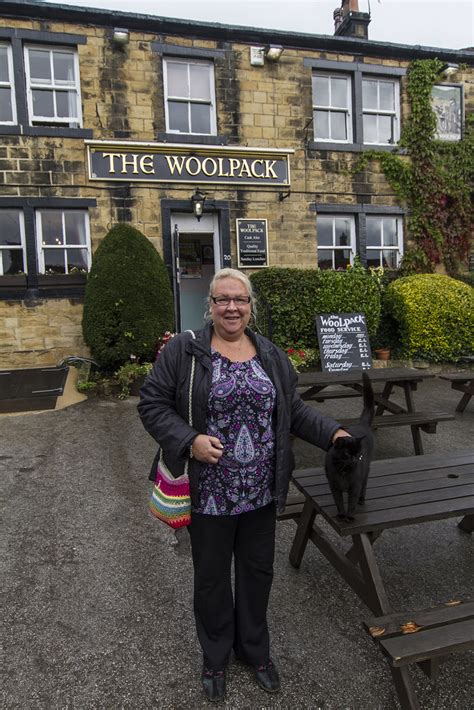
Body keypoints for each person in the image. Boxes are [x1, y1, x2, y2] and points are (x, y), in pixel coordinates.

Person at [138, 267, 349, 703]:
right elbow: (152, 404)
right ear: (210, 306)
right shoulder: (185, 351)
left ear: (251, 306)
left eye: (240, 299)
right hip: (209, 493)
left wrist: (335, 434)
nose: (231, 307)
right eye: (222, 299)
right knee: (212, 579)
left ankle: (254, 650)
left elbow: (295, 411)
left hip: (259, 491)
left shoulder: (269, 354)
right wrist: (189, 440)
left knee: (257, 574)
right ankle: (215, 655)